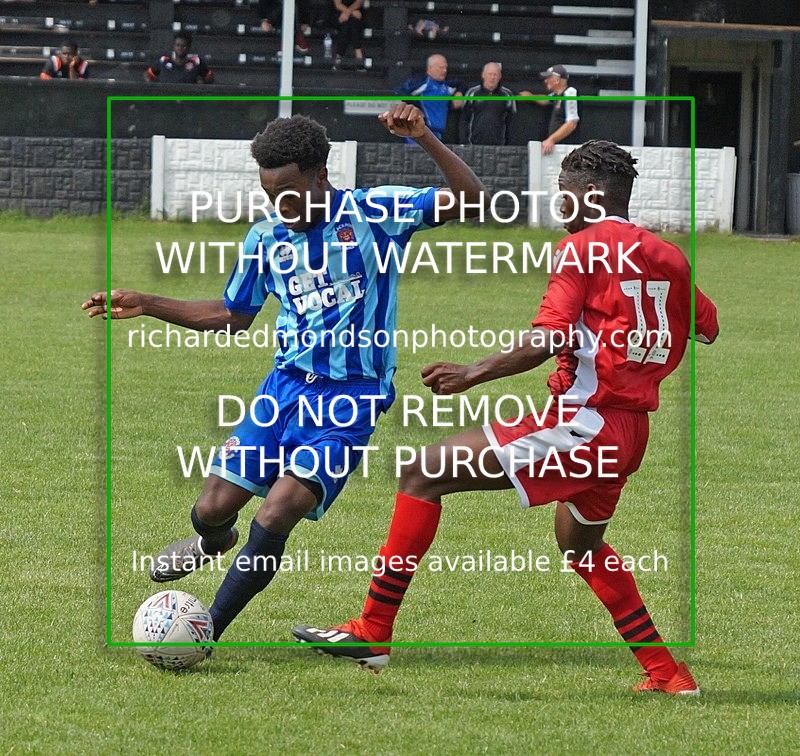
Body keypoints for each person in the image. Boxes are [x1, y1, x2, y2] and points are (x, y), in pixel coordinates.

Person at [293, 140, 719, 696]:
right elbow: (705, 326)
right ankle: (667, 672)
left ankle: (372, 630)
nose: (558, 205)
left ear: (591, 197)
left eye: (563, 195)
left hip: (586, 421)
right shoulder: (670, 256)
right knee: (581, 547)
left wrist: (473, 372)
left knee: (424, 471)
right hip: (630, 431)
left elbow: (548, 339)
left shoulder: (580, 250)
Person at [82, 104, 486, 643]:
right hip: (282, 392)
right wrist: (148, 302)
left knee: (277, 511)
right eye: (271, 196)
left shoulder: (375, 213)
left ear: (323, 175)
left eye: (291, 194)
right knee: (210, 510)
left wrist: (425, 139)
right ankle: (210, 542)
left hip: (351, 400)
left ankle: (204, 633)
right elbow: (232, 316)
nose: (282, 206)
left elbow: (473, 199)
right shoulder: (266, 239)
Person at [396, 54, 464, 142]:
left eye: (445, 68)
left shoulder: (447, 85)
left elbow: (462, 85)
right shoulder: (421, 83)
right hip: (418, 132)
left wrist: (459, 93)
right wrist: (416, 108)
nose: (444, 71)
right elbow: (401, 92)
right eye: (441, 68)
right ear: (430, 68)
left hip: (437, 134)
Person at [521, 64, 579, 155]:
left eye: (548, 78)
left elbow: (572, 123)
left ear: (557, 80)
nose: (545, 81)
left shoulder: (570, 93)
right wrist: (530, 96)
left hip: (567, 149)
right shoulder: (557, 95)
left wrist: (551, 140)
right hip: (559, 148)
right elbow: (545, 99)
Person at [459, 61, 515, 146]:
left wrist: (508, 145)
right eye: (490, 74)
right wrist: (464, 142)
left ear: (500, 76)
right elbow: (464, 119)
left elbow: (511, 123)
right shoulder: (472, 93)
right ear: (483, 75)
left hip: (499, 147)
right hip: (473, 145)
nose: (492, 77)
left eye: (495, 75)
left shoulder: (507, 95)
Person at [145, 32, 214, 84]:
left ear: (189, 47)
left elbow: (210, 76)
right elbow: (148, 74)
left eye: (183, 46)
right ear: (174, 46)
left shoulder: (196, 62)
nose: (180, 48)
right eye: (177, 45)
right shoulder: (164, 61)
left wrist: (202, 83)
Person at [330, 0, 365, 69]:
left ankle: (338, 57)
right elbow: (338, 5)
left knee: (349, 25)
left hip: (356, 14)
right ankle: (359, 55)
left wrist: (348, 13)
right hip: (339, 13)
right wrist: (350, 13)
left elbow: (359, 2)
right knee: (348, 24)